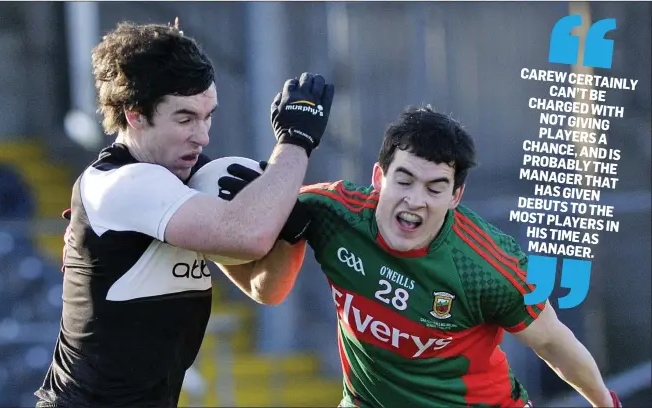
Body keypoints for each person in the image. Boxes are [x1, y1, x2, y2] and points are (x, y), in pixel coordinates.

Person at [220, 106, 623, 407]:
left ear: (455, 196)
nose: (415, 200)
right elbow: (266, 289)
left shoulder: (487, 264)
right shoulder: (329, 212)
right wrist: (225, 233)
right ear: (379, 176)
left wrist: (607, 403)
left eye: (435, 188)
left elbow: (552, 342)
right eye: (404, 179)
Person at [34, 20, 335, 408]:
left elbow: (266, 288)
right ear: (135, 114)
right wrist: (296, 142)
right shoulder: (123, 184)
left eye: (207, 115)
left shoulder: (190, 180)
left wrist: (288, 230)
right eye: (185, 118)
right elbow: (248, 235)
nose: (203, 134)